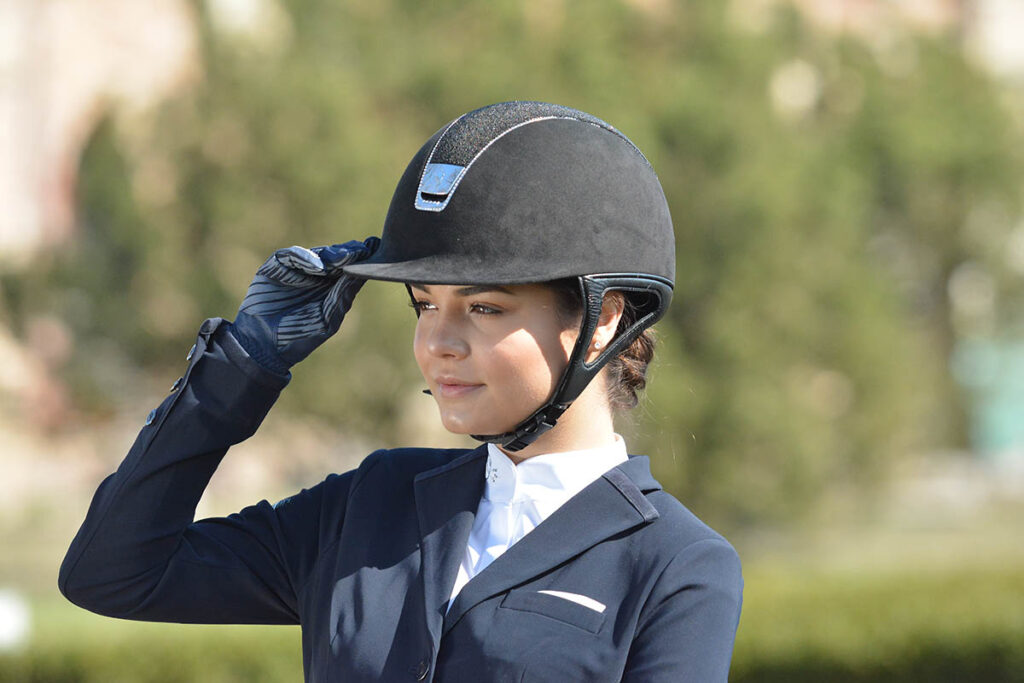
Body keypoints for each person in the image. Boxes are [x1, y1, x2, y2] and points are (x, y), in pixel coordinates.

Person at [59, 101, 743, 682]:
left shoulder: (678, 568)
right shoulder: (372, 502)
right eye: (422, 305)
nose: (437, 342)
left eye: (484, 308)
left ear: (606, 320)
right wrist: (238, 368)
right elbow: (112, 571)